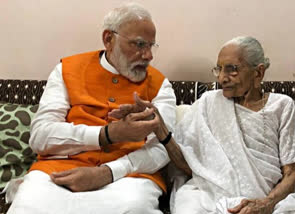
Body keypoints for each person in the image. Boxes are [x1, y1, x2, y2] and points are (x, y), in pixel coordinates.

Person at [5, 3, 176, 214]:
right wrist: (106, 134)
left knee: (134, 207)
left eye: (151, 46)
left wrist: (108, 172)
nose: (149, 55)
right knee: (28, 206)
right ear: (108, 39)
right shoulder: (66, 71)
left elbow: (163, 149)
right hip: (60, 171)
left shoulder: (160, 85)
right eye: (139, 44)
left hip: (130, 177)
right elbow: (40, 137)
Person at [110, 36, 295, 214]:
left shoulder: (282, 105)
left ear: (258, 73)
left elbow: (291, 175)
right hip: (208, 195)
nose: (222, 78)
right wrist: (159, 127)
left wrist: (266, 204)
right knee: (188, 205)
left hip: (264, 199)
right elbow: (191, 167)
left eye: (231, 69)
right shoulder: (208, 102)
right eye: (219, 69)